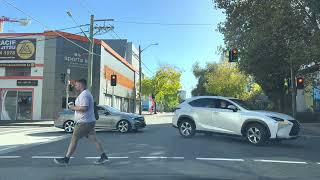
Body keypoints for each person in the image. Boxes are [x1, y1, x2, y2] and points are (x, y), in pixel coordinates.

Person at [54, 79, 108, 166]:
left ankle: (66, 159)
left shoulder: (84, 95)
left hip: (83, 122)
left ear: (81, 85)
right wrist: (74, 106)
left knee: (74, 139)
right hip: (89, 121)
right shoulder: (85, 94)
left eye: (77, 85)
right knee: (94, 139)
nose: (75, 86)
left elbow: (84, 108)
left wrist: (72, 107)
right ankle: (103, 156)